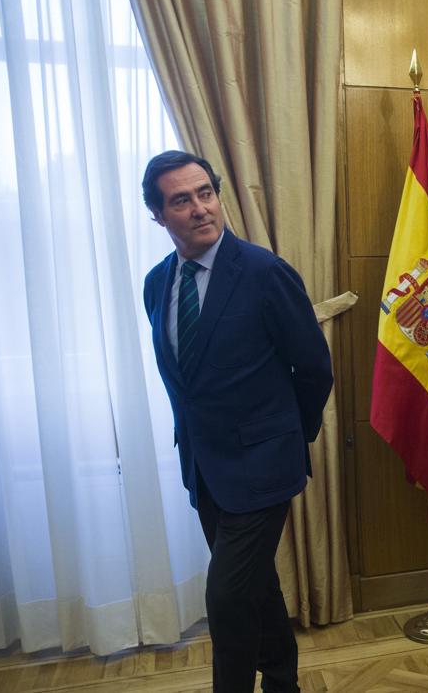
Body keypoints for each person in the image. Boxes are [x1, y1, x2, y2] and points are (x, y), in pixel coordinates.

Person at [141, 150, 333, 693]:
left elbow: (314, 367)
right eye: (182, 200)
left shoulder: (264, 272)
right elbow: (185, 376)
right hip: (205, 467)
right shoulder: (158, 284)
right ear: (159, 216)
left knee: (225, 596)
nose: (201, 208)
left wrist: (288, 436)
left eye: (206, 193)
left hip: (264, 464)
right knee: (255, 585)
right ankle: (281, 681)